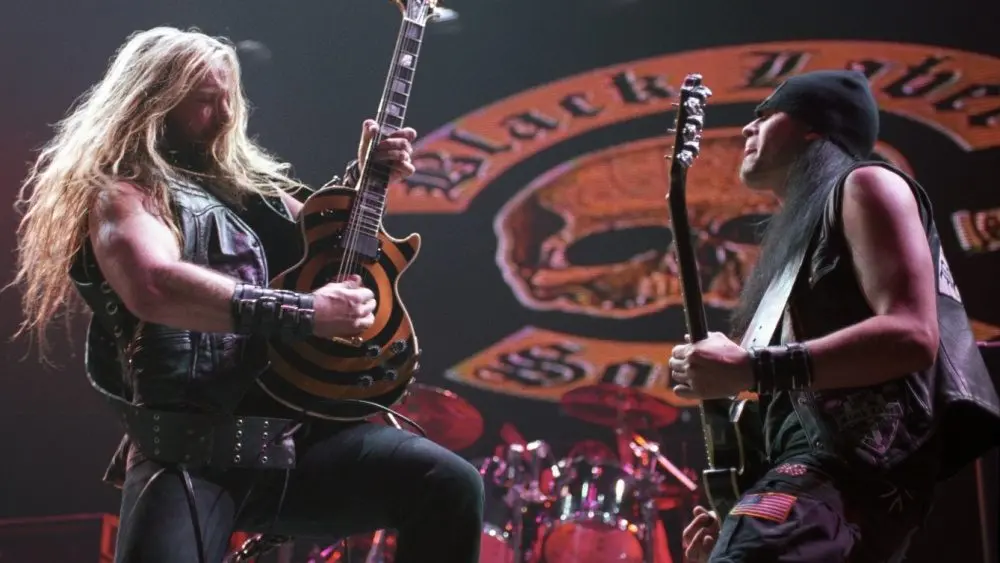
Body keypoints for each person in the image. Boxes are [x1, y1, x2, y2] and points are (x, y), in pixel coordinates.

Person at [10, 26, 484, 563]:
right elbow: (154, 284)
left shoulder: (252, 191)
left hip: (298, 442)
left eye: (229, 98)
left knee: (448, 482)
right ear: (153, 104)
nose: (226, 114)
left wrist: (367, 174)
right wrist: (307, 313)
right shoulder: (123, 193)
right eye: (206, 101)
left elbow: (327, 239)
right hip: (191, 451)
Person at [667, 69, 1000, 562]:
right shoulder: (792, 252)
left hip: (842, 475)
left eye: (766, 114)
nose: (746, 129)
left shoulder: (866, 183)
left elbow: (911, 334)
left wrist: (751, 368)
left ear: (814, 127)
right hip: (824, 495)